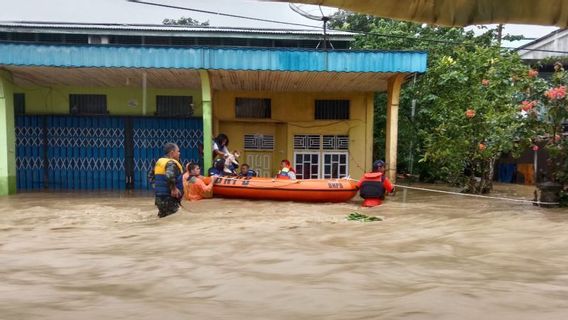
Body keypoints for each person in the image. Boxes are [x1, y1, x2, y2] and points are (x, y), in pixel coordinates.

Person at [151, 143, 184, 218]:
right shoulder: (171, 163)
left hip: (159, 198)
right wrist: (174, 189)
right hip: (169, 198)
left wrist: (156, 187)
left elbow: (151, 176)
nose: (179, 153)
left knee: (163, 218)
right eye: (178, 151)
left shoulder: (159, 162)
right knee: (174, 220)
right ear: (172, 153)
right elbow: (169, 176)